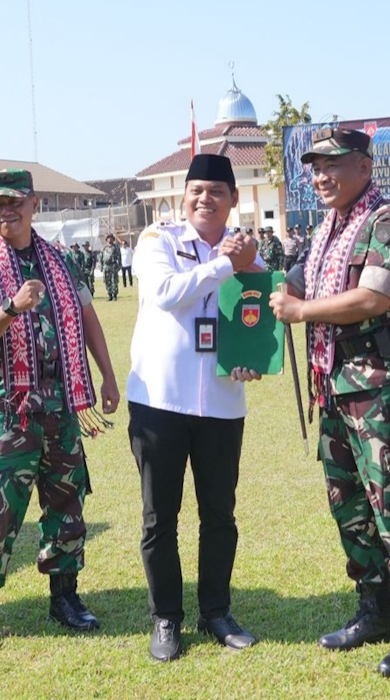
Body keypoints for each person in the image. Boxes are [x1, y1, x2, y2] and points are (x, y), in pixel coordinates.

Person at [270, 127, 390, 677]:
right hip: (335, 382)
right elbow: (293, 283)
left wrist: (303, 311)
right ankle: (375, 609)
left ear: (364, 168)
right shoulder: (326, 230)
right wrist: (267, 276)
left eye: (333, 165)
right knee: (349, 502)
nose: (321, 175)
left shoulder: (385, 221)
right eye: (315, 166)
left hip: (379, 383)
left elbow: (374, 296)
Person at [0, 169, 120, 651]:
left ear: (34, 203)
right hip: (8, 405)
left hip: (62, 401)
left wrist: (106, 374)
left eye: (15, 202)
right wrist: (12, 306)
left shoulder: (62, 260)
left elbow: (87, 315)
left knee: (67, 500)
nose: (6, 211)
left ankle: (64, 597)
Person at [128, 154, 263, 662]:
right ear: (184, 197)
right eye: (196, 190)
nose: (204, 198)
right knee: (160, 516)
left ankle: (217, 611)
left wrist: (253, 358)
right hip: (159, 401)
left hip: (222, 405)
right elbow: (165, 293)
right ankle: (166, 617)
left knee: (219, 515)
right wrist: (228, 263)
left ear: (232, 199)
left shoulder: (248, 252)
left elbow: (257, 314)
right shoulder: (158, 241)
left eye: (216, 191)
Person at [101, 234, 121, 301]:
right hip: (106, 266)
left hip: (113, 266)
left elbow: (119, 257)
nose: (109, 239)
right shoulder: (104, 248)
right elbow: (101, 257)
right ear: (106, 239)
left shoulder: (116, 247)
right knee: (107, 281)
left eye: (111, 238)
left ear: (113, 239)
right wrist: (101, 266)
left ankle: (114, 295)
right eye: (108, 238)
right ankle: (109, 295)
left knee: (114, 281)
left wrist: (119, 265)